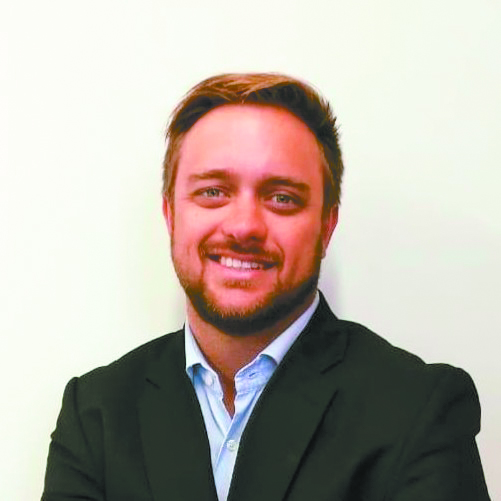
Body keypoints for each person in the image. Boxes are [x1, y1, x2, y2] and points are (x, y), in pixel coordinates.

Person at [42, 73, 491, 501]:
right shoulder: (97, 413)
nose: (244, 227)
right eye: (213, 192)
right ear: (170, 215)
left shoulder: (417, 409)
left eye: (282, 198)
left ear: (327, 225)